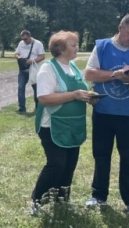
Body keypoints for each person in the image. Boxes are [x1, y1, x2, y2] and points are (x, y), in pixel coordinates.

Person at [84, 13, 129, 217]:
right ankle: (98, 196)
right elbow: (89, 73)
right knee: (101, 155)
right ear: (120, 27)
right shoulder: (103, 46)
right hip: (103, 111)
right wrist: (115, 75)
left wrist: (128, 80)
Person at [31, 30, 98, 216]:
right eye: (73, 45)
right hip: (52, 126)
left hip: (73, 126)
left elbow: (79, 92)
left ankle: (61, 200)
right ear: (60, 48)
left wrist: (88, 97)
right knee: (56, 164)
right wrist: (74, 95)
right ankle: (37, 200)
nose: (77, 48)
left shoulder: (74, 67)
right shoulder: (48, 68)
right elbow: (44, 98)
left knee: (70, 164)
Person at [13, 30, 46, 113]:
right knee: (21, 87)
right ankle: (22, 107)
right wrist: (19, 57)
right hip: (23, 69)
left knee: (36, 88)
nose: (24, 41)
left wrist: (32, 61)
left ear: (30, 36)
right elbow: (16, 53)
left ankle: (38, 106)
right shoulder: (21, 43)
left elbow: (42, 56)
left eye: (26, 39)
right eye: (23, 39)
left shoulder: (38, 44)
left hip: (34, 69)